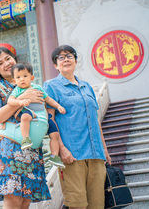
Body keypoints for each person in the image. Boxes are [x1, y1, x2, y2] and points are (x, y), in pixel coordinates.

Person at [43, 45, 112, 209]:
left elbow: (94, 120)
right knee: (77, 204)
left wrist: (105, 150)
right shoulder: (51, 86)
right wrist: (61, 148)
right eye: (61, 57)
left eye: (69, 55)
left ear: (75, 60)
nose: (66, 59)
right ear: (55, 65)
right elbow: (49, 120)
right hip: (72, 155)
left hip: (96, 154)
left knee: (97, 204)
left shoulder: (86, 86)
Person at [0, 47, 51, 209]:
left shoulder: (30, 82)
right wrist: (22, 98)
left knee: (26, 198)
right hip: (9, 144)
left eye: (8, 58)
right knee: (13, 196)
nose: (6, 64)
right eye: (0, 63)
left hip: (31, 144)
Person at [7, 62, 66, 168]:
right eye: (18, 77)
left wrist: (58, 106)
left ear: (32, 77)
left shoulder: (38, 88)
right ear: (14, 81)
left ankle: (54, 156)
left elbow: (48, 99)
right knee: (25, 117)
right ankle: (25, 138)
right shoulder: (17, 90)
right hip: (30, 112)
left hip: (43, 115)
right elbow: (10, 101)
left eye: (25, 76)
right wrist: (20, 102)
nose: (22, 79)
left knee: (55, 134)